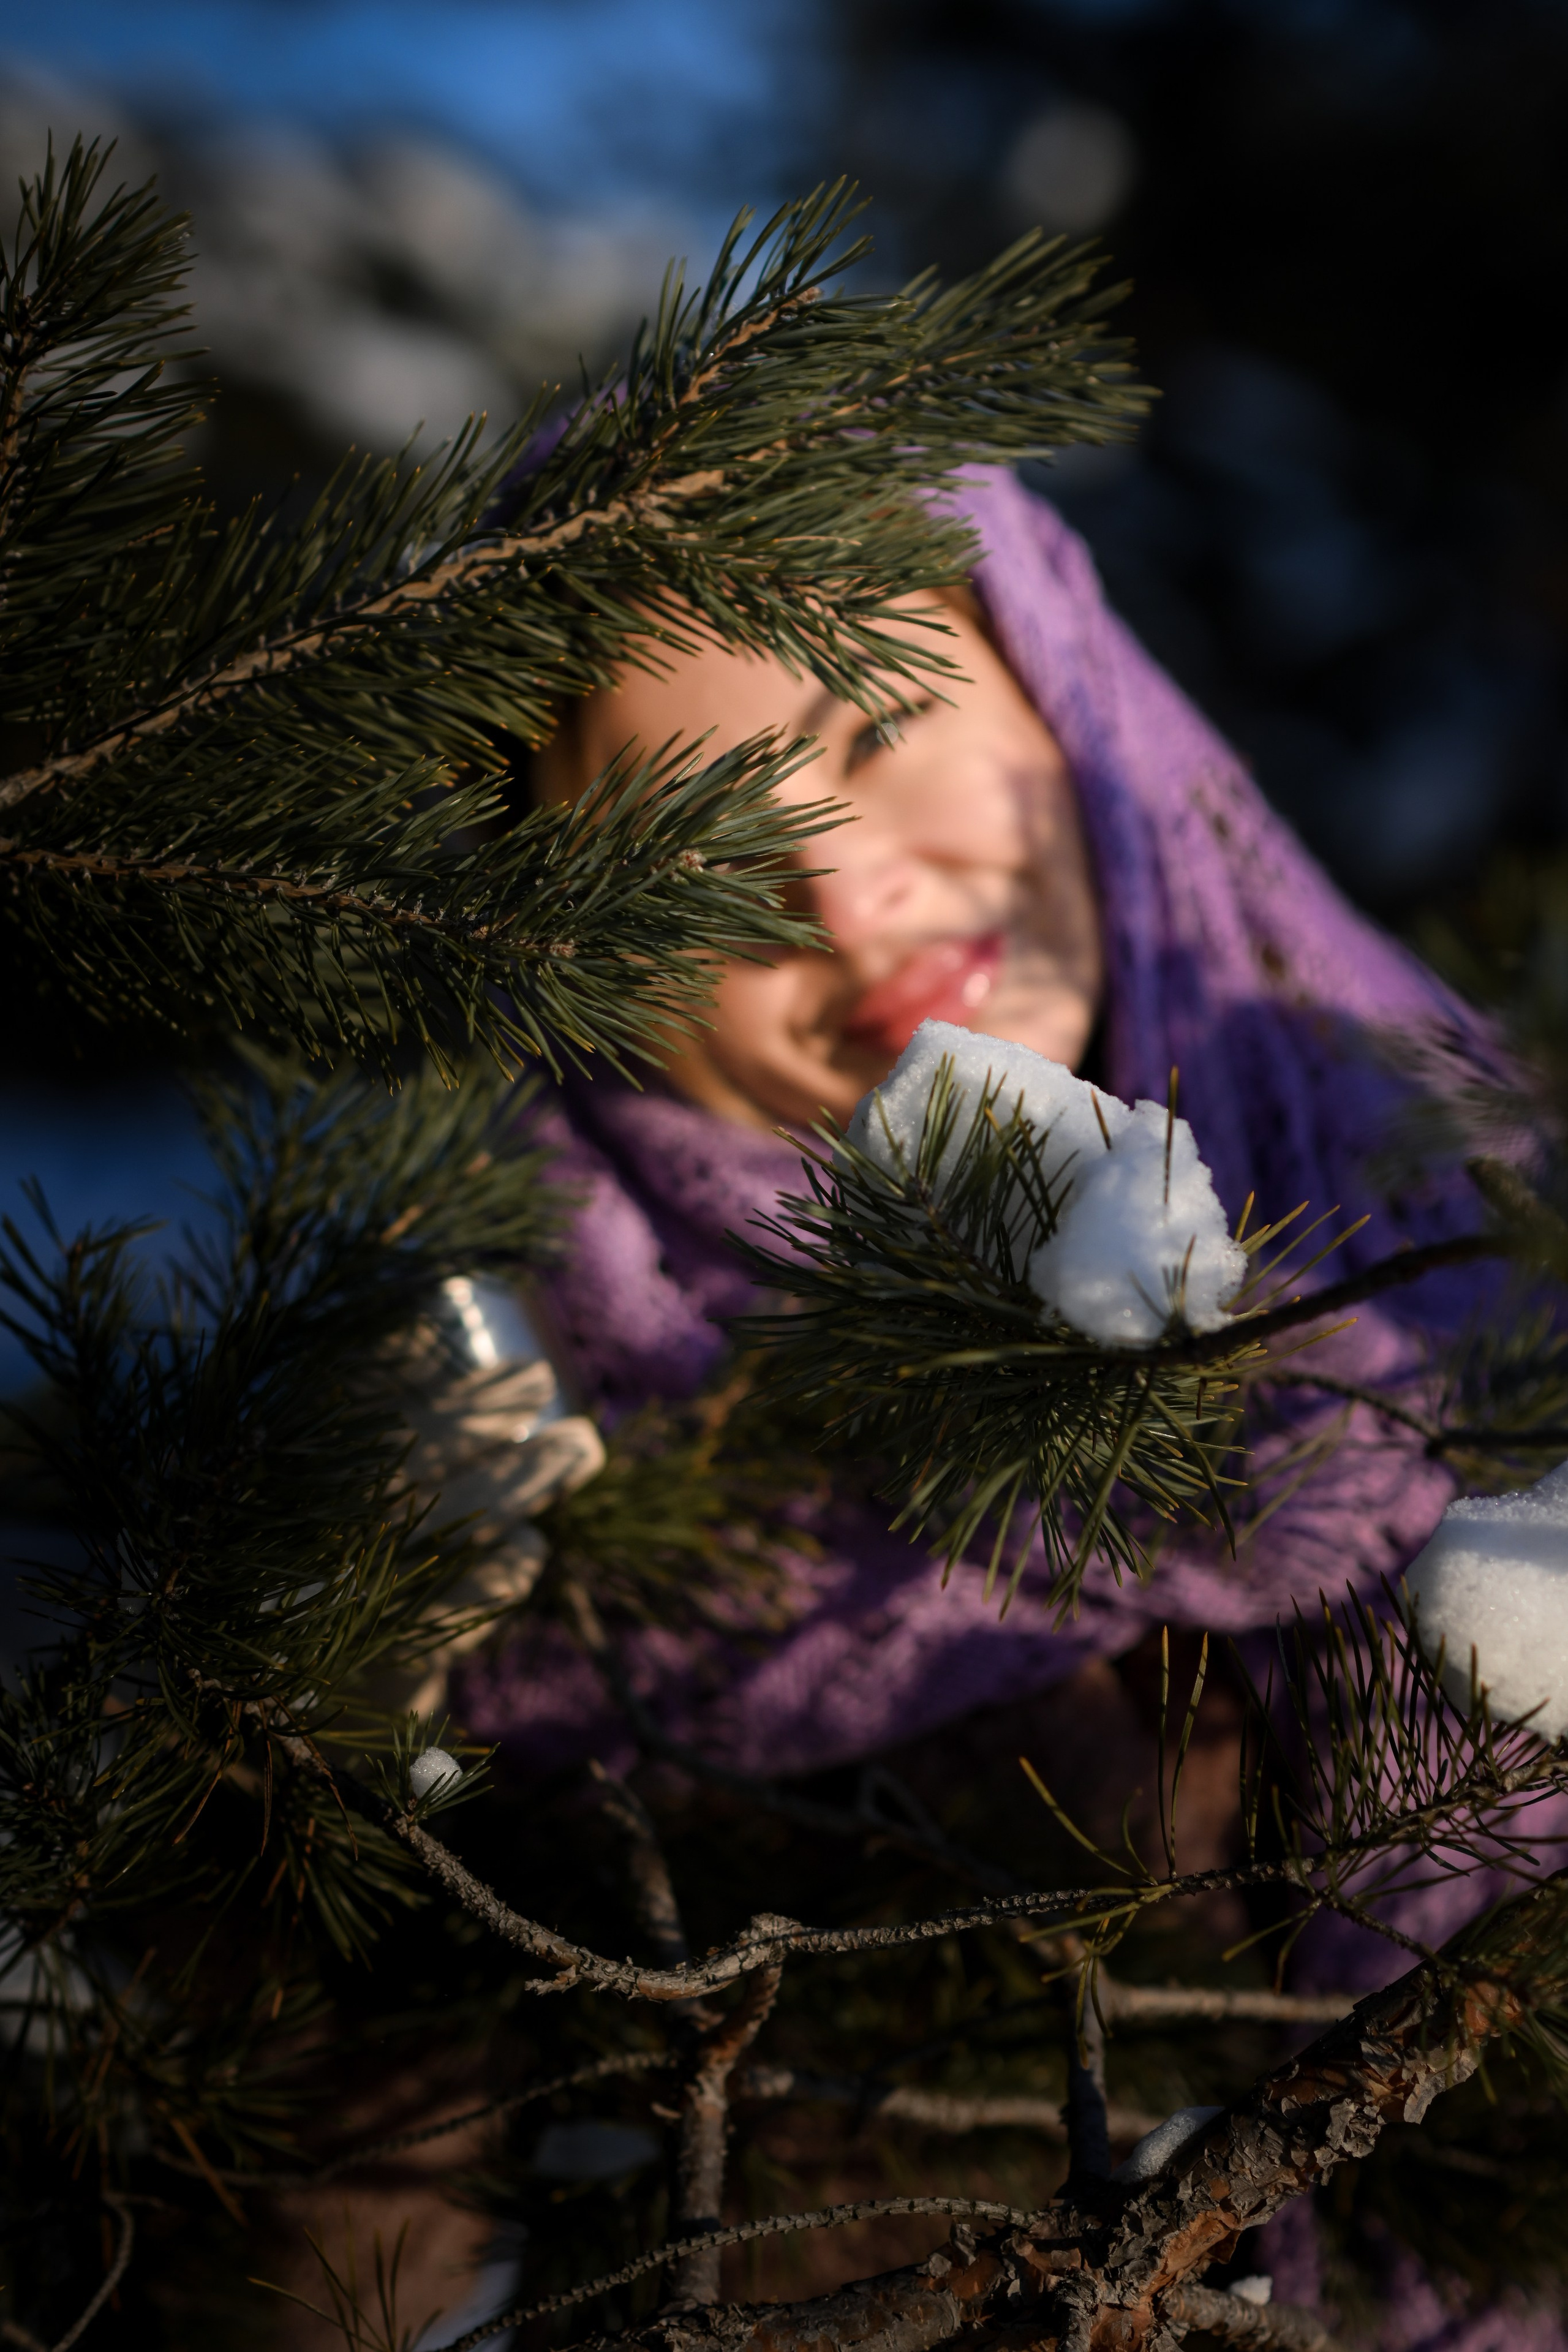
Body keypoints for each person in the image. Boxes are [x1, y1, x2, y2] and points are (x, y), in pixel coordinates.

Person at [460, 468, 1563, 2346]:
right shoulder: (492, 1556)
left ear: (1064, 689)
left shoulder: (1510, 1231)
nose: (840, 888)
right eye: (681, 853)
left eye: (879, 724)